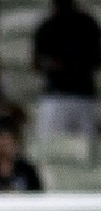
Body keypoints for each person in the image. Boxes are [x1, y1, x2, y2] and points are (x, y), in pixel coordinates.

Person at [32, 0, 101, 141]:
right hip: (56, 95)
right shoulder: (47, 26)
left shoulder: (88, 23)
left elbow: (97, 58)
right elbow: (37, 62)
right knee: (50, 147)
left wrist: (79, 63)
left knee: (88, 148)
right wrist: (54, 65)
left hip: (83, 95)